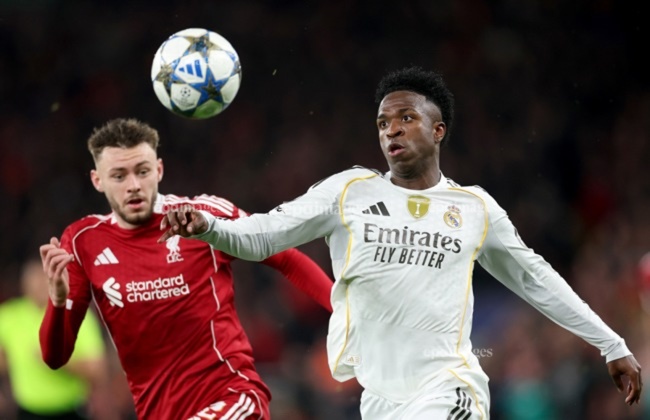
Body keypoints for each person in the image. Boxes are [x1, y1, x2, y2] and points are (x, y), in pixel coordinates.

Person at [159, 66, 643, 419]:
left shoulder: (474, 207)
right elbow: (263, 234)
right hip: (380, 399)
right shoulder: (348, 192)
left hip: (450, 387)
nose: (391, 128)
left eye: (406, 117)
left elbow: (535, 278)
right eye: (383, 122)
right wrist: (207, 226)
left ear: (438, 130)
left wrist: (611, 344)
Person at [39, 118, 334, 419]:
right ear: (97, 180)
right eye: (118, 175)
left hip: (233, 398)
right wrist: (58, 301)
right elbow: (54, 357)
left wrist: (344, 311)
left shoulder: (201, 217)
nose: (134, 185)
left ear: (159, 170)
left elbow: (285, 257)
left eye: (142, 171)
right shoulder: (83, 241)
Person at [0, 259, 108, 420]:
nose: (39, 285)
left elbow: (97, 371)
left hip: (69, 410)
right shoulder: (9, 316)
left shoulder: (76, 314)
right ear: (24, 283)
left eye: (45, 279)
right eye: (34, 279)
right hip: (27, 411)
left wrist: (56, 359)